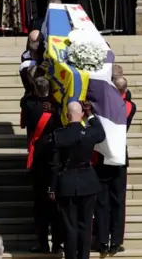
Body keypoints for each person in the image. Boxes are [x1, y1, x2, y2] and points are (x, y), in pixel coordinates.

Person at [49, 101, 106, 259]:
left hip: (66, 184)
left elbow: (54, 165)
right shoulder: (90, 132)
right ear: (81, 115)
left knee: (70, 227)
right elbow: (101, 133)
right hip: (88, 182)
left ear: (67, 116)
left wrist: (52, 188)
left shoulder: (59, 135)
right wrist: (90, 115)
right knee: (85, 226)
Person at [92, 76, 135, 255]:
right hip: (117, 157)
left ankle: (103, 241)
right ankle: (115, 241)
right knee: (118, 201)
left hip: (103, 156)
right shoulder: (129, 105)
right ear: (124, 91)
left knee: (102, 201)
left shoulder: (102, 106)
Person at [23, 77, 63, 253]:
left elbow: (24, 101)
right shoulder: (57, 108)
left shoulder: (31, 105)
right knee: (55, 209)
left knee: (40, 209)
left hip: (39, 162)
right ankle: (57, 243)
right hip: (55, 162)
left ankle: (42, 243)